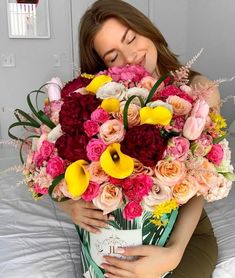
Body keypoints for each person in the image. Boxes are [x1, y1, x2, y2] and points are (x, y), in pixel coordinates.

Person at [58, 0, 220, 277]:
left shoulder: (200, 91)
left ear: (146, 30)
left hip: (183, 234)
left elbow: (201, 182)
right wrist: (70, 206)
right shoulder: (99, 102)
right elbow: (55, 165)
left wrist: (173, 254)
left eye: (131, 38)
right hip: (117, 232)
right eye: (112, 56)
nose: (131, 55)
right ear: (102, 65)